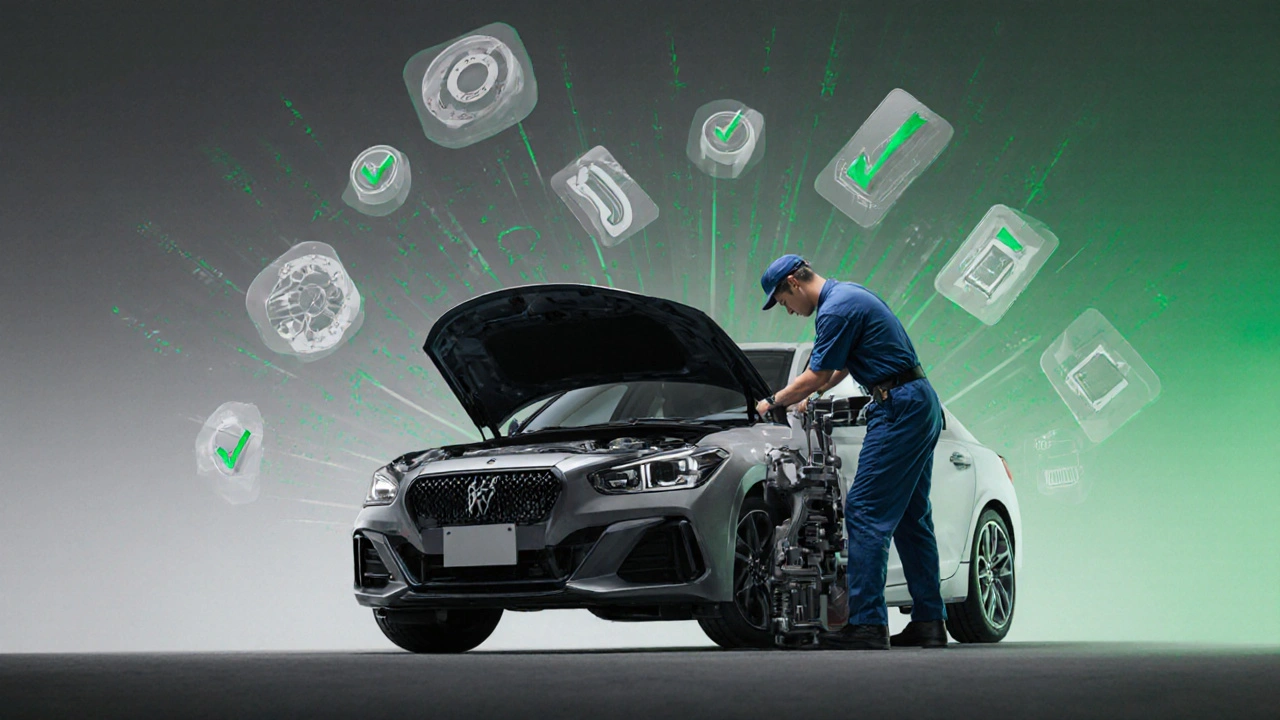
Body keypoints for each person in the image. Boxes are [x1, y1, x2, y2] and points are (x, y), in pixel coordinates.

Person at [754, 254, 948, 650]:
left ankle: (867, 625)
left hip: (897, 407)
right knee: (912, 518)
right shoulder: (849, 296)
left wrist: (772, 401)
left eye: (783, 301)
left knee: (863, 512)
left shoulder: (835, 309)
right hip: (917, 401)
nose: (789, 312)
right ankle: (930, 622)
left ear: (793, 282)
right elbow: (837, 369)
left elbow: (820, 372)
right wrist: (814, 395)